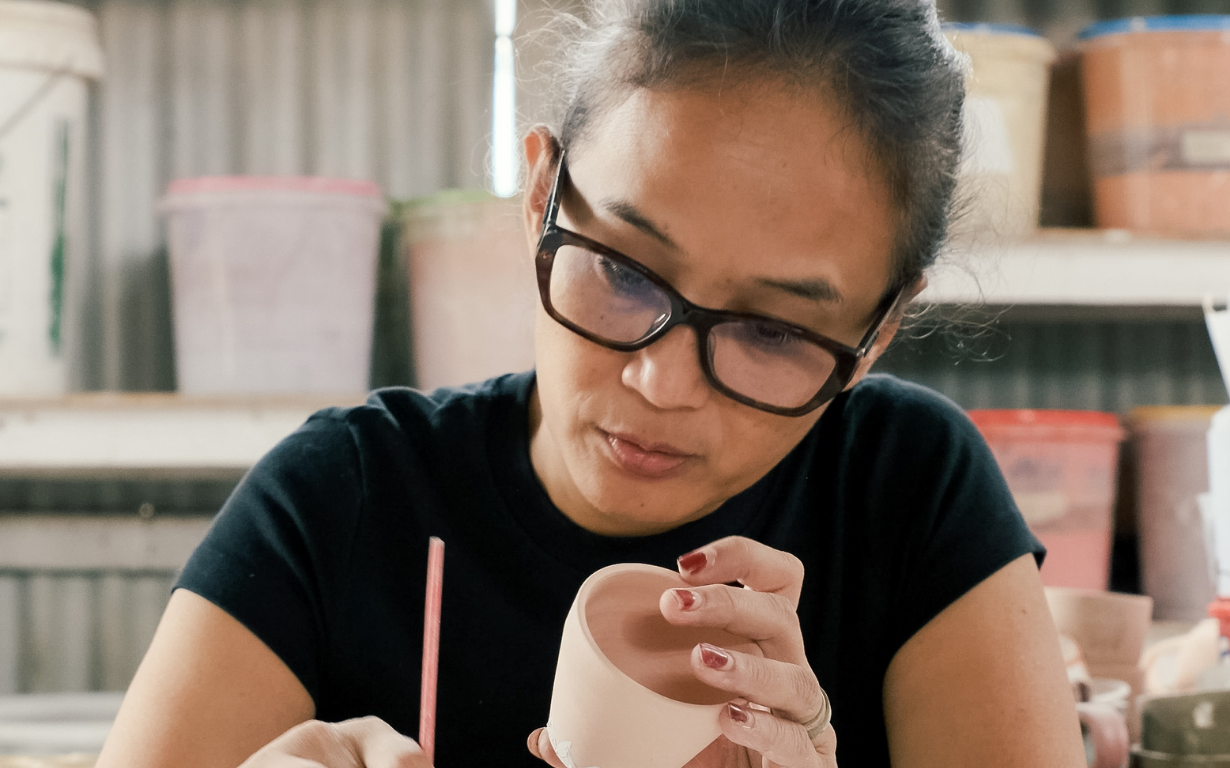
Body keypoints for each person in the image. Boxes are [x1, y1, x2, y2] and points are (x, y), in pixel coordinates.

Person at [95, 1, 1086, 766]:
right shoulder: (343, 501)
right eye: (622, 272)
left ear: (877, 334)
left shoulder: (906, 493)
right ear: (540, 196)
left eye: (772, 330)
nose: (659, 382)